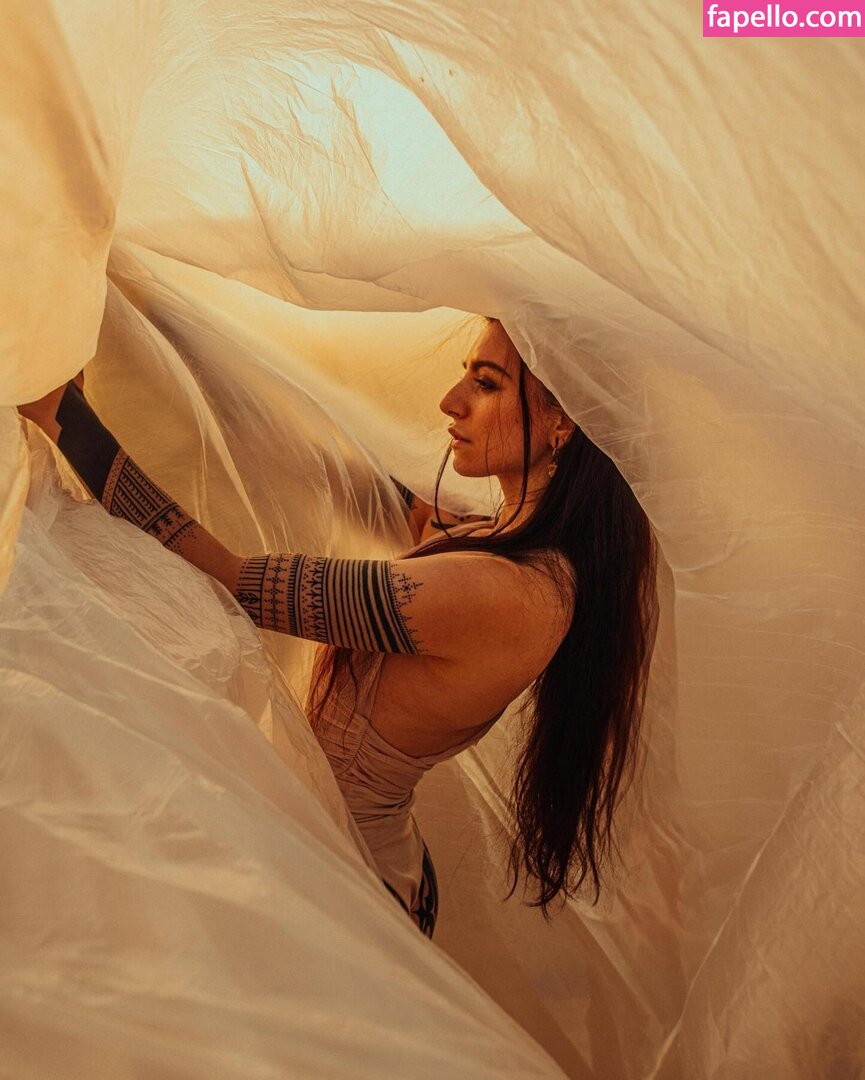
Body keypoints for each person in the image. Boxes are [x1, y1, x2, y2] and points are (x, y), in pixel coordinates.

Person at [18, 318, 657, 938]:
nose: (450, 400)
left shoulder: (506, 593)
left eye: (485, 383)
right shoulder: (492, 540)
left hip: (356, 883)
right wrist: (181, 336)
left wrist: (69, 421)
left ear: (563, 420)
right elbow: (353, 480)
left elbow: (230, 582)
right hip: (347, 855)